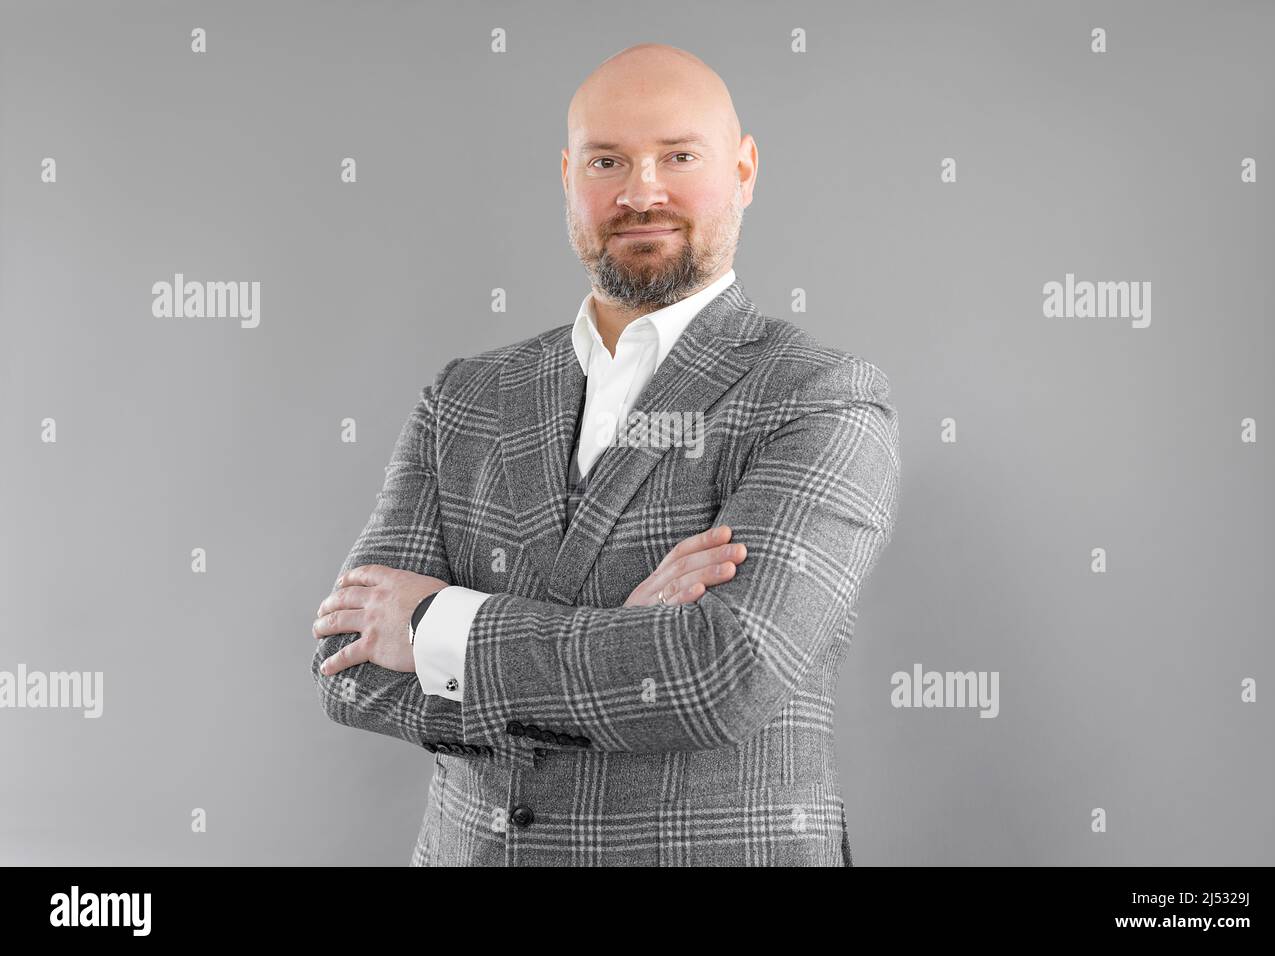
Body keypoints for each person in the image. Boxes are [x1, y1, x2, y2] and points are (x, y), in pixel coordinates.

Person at [310, 42, 900, 866]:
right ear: (567, 176)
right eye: (608, 160)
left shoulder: (819, 396)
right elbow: (347, 667)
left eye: (678, 156)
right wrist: (620, 643)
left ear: (744, 169)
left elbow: (718, 676)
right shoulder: (468, 394)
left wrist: (435, 630)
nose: (640, 191)